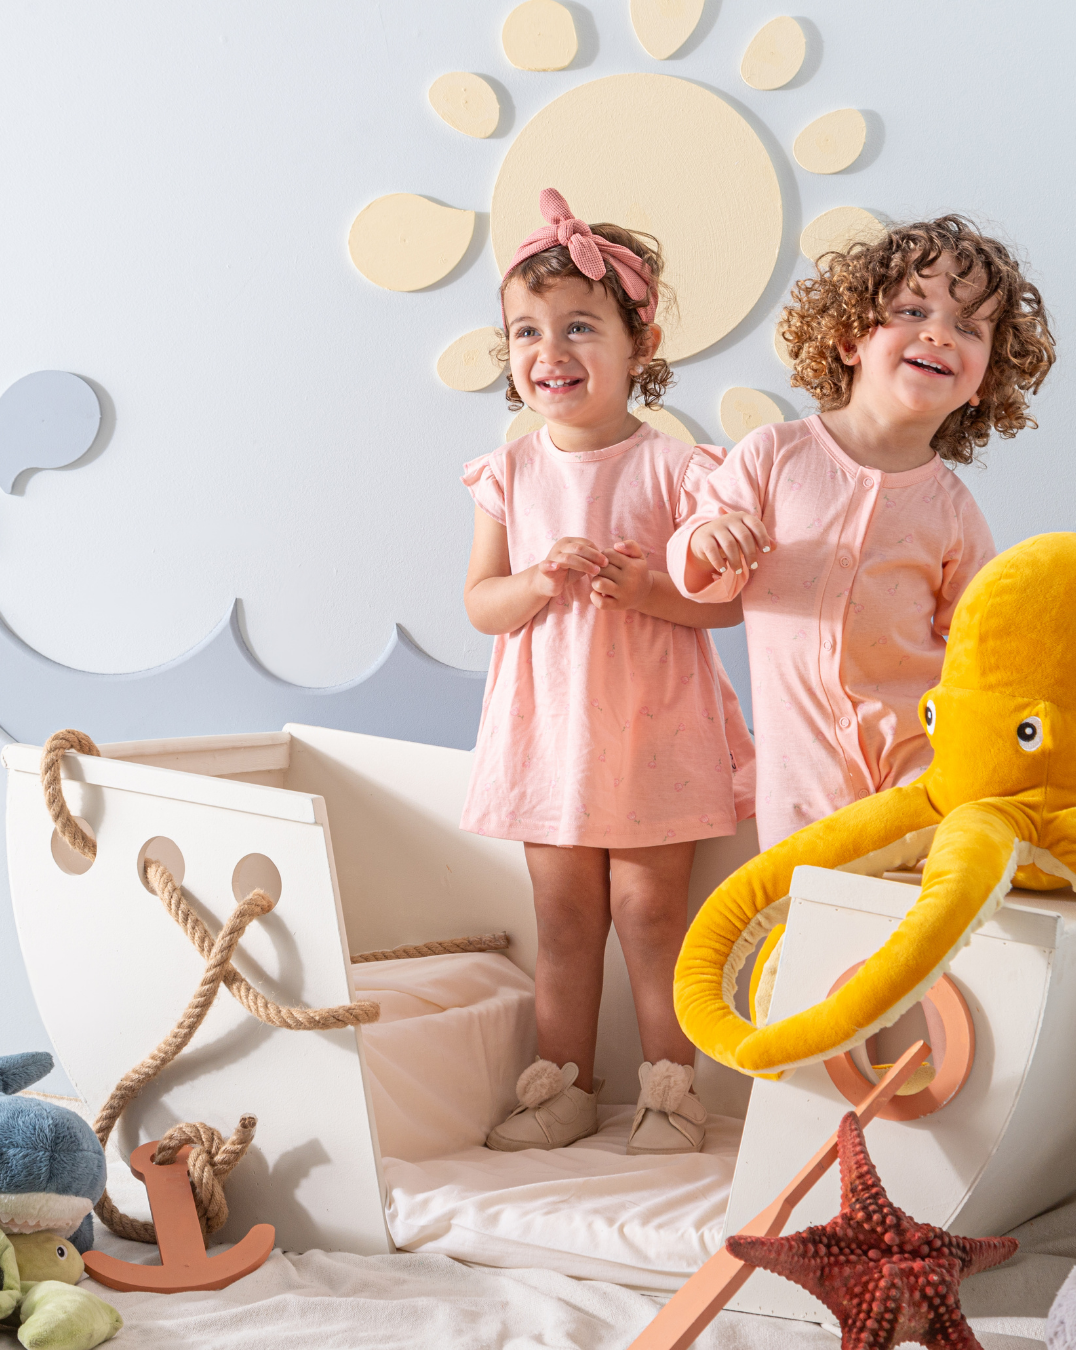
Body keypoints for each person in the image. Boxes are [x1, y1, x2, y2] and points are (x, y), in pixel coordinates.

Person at [461, 189, 754, 1155]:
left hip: (650, 727)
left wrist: (650, 587)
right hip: (549, 733)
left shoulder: (679, 471)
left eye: (580, 326)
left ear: (641, 344)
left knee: (650, 912)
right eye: (527, 332)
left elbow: (725, 603)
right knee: (563, 917)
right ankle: (566, 1088)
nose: (551, 351)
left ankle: (671, 1092)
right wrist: (539, 581)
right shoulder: (510, 474)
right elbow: (481, 602)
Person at [667, 216, 1055, 849]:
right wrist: (709, 540)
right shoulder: (773, 455)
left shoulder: (952, 510)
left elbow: (978, 640)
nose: (939, 333)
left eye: (969, 327)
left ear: (984, 381)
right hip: (799, 769)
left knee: (908, 896)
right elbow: (700, 566)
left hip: (919, 758)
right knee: (801, 897)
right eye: (912, 310)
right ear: (850, 339)